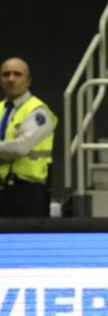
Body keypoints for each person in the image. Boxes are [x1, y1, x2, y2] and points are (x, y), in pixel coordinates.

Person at [0, 57, 57, 218]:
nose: (11, 79)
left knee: (27, 241)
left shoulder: (38, 111)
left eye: (17, 74)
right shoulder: (0, 109)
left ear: (28, 80)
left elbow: (20, 148)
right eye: (6, 74)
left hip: (28, 192)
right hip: (3, 189)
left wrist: (14, 145)